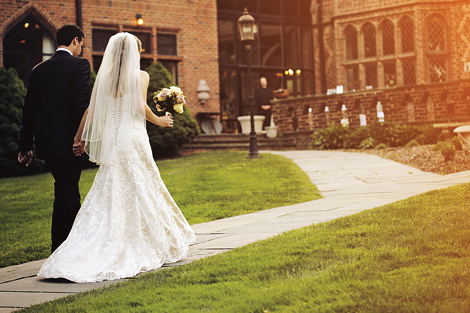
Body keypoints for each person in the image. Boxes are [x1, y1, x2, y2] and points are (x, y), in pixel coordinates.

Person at [37, 33, 196, 283]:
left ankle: (89, 245)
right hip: (132, 136)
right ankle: (143, 240)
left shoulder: (105, 77)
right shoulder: (141, 76)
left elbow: (90, 110)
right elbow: (138, 106)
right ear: (134, 52)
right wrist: (160, 120)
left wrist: (79, 138)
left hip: (112, 138)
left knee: (112, 186)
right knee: (142, 185)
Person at [18, 25, 91, 253]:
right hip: (70, 144)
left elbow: (28, 110)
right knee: (65, 192)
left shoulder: (38, 70)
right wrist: (82, 138)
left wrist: (25, 146)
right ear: (76, 40)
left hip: (47, 144)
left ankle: (78, 244)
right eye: (81, 43)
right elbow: (81, 105)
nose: (81, 48)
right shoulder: (79, 65)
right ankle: (59, 251)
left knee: (69, 190)